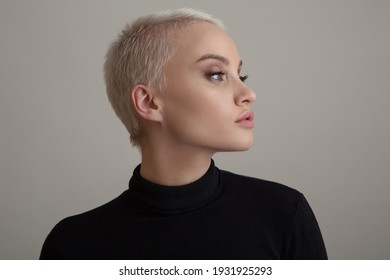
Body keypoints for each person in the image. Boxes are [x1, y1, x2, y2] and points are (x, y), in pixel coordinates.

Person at [40, 8, 327, 260]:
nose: (248, 94)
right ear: (149, 102)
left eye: (242, 76)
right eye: (216, 74)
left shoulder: (282, 213)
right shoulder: (73, 246)